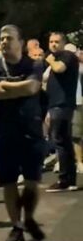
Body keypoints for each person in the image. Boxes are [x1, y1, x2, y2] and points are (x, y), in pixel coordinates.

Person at [0, 25, 46, 241]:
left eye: (9, 38)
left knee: (32, 182)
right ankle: (16, 226)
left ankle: (28, 218)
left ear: (20, 41)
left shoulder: (33, 64)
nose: (5, 42)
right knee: (8, 182)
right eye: (2, 38)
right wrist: (14, 88)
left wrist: (4, 86)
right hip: (5, 132)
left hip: (31, 131)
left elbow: (31, 88)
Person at [43, 32, 79, 192]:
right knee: (63, 141)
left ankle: (65, 179)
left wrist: (51, 60)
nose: (53, 44)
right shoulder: (59, 57)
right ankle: (69, 179)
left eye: (57, 41)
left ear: (63, 43)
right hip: (56, 104)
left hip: (62, 105)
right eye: (51, 41)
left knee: (59, 140)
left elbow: (59, 68)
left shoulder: (66, 56)